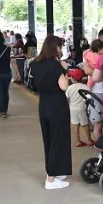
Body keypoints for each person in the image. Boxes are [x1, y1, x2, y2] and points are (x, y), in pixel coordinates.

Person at [29, 35, 72, 190]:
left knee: (49, 138)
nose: (61, 50)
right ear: (55, 47)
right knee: (58, 139)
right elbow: (64, 86)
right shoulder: (56, 65)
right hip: (57, 104)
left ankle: (56, 171)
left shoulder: (35, 63)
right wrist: (65, 71)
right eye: (60, 47)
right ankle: (51, 179)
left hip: (43, 103)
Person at [83, 39, 103, 140]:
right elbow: (87, 70)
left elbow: (89, 71)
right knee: (98, 124)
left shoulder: (88, 54)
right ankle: (100, 147)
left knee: (102, 123)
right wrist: (100, 73)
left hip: (100, 91)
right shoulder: (101, 57)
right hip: (98, 92)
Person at [66, 68, 93, 147]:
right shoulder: (85, 87)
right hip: (82, 108)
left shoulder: (69, 88)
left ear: (73, 79)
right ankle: (89, 140)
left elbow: (67, 99)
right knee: (85, 124)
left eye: (71, 76)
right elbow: (89, 97)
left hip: (72, 109)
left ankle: (78, 141)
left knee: (75, 125)